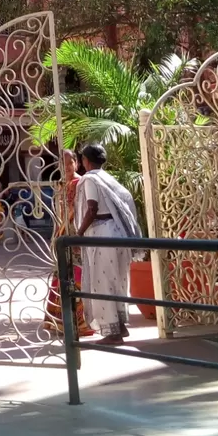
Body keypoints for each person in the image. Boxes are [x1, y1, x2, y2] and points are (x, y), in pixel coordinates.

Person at [75, 143, 141, 345]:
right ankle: (119, 325)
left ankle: (113, 332)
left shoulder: (91, 179)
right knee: (117, 280)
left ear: (85, 161)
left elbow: (92, 208)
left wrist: (79, 234)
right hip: (118, 234)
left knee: (102, 283)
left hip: (102, 235)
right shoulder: (110, 180)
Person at [44, 149, 93, 338]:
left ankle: (80, 321)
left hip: (76, 234)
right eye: (61, 164)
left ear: (77, 163)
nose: (66, 167)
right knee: (61, 274)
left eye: (69, 163)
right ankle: (59, 319)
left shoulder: (80, 183)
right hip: (62, 234)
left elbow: (82, 210)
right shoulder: (60, 185)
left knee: (78, 275)